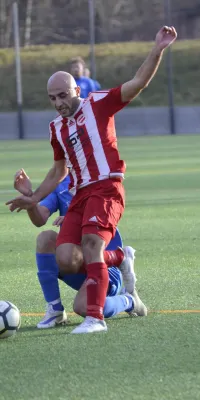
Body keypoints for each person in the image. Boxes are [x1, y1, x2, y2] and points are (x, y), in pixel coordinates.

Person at [6, 26, 177, 335]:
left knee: (90, 244)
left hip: (107, 186)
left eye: (63, 95)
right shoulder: (56, 128)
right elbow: (58, 171)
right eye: (52, 98)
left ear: (77, 91)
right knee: (65, 257)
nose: (58, 102)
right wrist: (31, 198)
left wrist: (158, 49)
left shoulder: (98, 103)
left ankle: (95, 319)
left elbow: (137, 83)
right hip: (81, 192)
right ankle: (120, 259)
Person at [13, 169, 147, 329]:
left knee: (82, 307)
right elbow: (40, 218)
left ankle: (129, 300)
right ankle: (55, 311)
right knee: (45, 238)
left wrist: (74, 219)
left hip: (104, 265)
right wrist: (31, 200)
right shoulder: (61, 182)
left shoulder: (100, 177)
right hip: (74, 260)